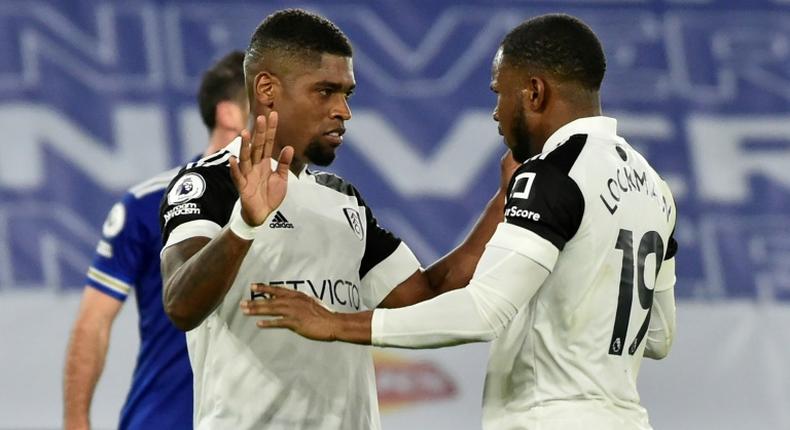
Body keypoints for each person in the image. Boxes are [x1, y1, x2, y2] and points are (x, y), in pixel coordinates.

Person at [247, 13, 679, 430]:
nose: (496, 112)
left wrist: (334, 323)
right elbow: (658, 336)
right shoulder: (654, 187)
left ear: (534, 92)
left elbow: (483, 312)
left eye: (500, 93)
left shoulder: (552, 172)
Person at [158, 8, 514, 430]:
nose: (343, 111)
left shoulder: (341, 199)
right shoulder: (211, 183)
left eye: (347, 94)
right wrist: (244, 227)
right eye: (325, 91)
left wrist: (505, 198)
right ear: (268, 88)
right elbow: (180, 305)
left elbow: (425, 296)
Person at [63, 51, 249, 430]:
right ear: (229, 113)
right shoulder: (148, 203)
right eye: (267, 106)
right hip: (165, 420)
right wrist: (75, 422)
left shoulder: (302, 205)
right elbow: (94, 321)